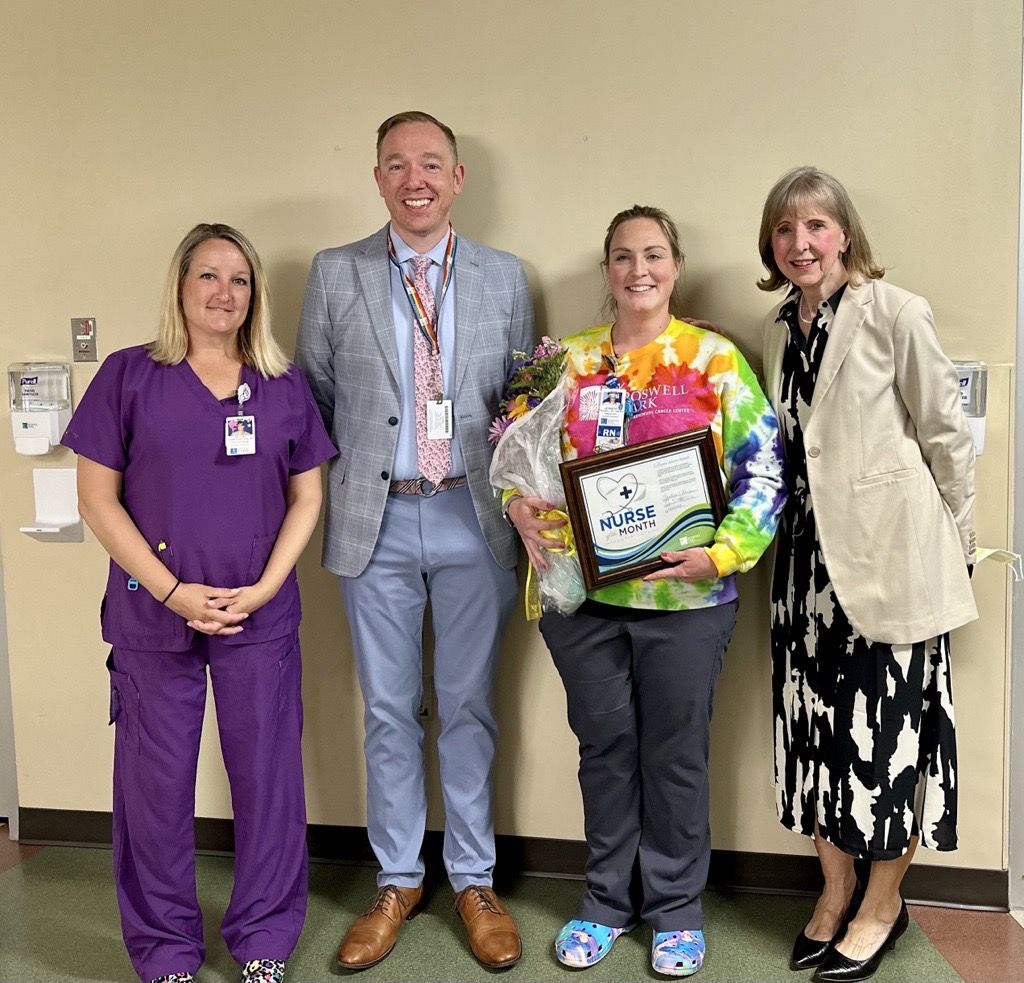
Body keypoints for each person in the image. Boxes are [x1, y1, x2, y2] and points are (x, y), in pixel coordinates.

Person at [505, 205, 786, 977]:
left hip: (687, 607)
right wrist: (517, 506)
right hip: (583, 604)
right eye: (623, 257)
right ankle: (604, 900)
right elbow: (513, 459)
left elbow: (766, 470)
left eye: (654, 254)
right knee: (605, 750)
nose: (639, 271)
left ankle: (673, 908)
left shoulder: (714, 360)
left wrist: (724, 555)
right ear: (607, 269)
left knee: (675, 755)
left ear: (676, 264)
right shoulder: (562, 360)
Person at [62, 223, 337, 983]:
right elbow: (96, 500)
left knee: (269, 783)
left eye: (240, 279)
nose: (225, 293)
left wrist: (270, 583)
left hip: (258, 613)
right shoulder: (126, 375)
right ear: (179, 286)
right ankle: (166, 951)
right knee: (153, 791)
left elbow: (308, 494)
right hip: (154, 616)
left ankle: (264, 941)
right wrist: (175, 593)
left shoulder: (280, 382)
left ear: (256, 295)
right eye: (208, 276)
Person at [295, 110, 534, 971]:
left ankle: (472, 877)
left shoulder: (507, 279)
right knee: (389, 709)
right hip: (377, 519)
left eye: (431, 163)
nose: (415, 178)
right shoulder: (333, 274)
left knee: (468, 705)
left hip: (474, 517)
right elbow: (315, 395)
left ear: (458, 177)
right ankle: (398, 876)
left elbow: (521, 406)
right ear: (378, 179)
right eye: (396, 164)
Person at [758, 167, 977, 982]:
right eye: (785, 230)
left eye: (816, 226)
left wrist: (954, 550)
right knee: (814, 736)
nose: (801, 243)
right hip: (804, 575)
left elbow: (948, 438)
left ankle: (884, 901)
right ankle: (836, 884)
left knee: (888, 744)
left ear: (844, 233)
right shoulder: (777, 325)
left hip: (893, 566)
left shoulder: (895, 311)